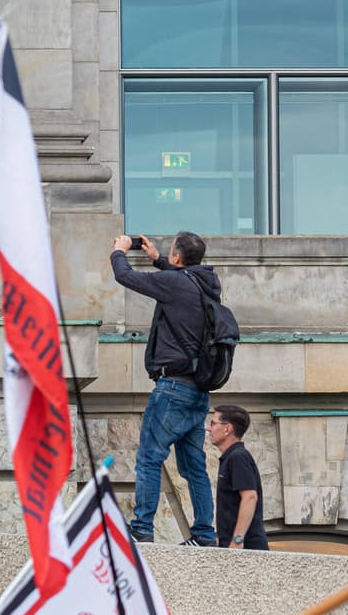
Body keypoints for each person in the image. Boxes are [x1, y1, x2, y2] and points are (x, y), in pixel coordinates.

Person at [113, 231, 221, 545]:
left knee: (149, 457)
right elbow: (179, 282)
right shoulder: (206, 284)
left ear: (178, 257)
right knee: (193, 466)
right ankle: (204, 534)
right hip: (197, 390)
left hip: (172, 387)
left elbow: (125, 277)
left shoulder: (176, 284)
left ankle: (141, 529)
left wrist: (120, 251)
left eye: (170, 253)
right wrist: (158, 259)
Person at [208, 404, 268, 550]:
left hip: (246, 549)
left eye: (213, 424)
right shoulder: (231, 457)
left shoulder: (237, 457)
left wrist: (237, 540)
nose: (208, 428)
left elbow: (250, 497)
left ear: (227, 429)